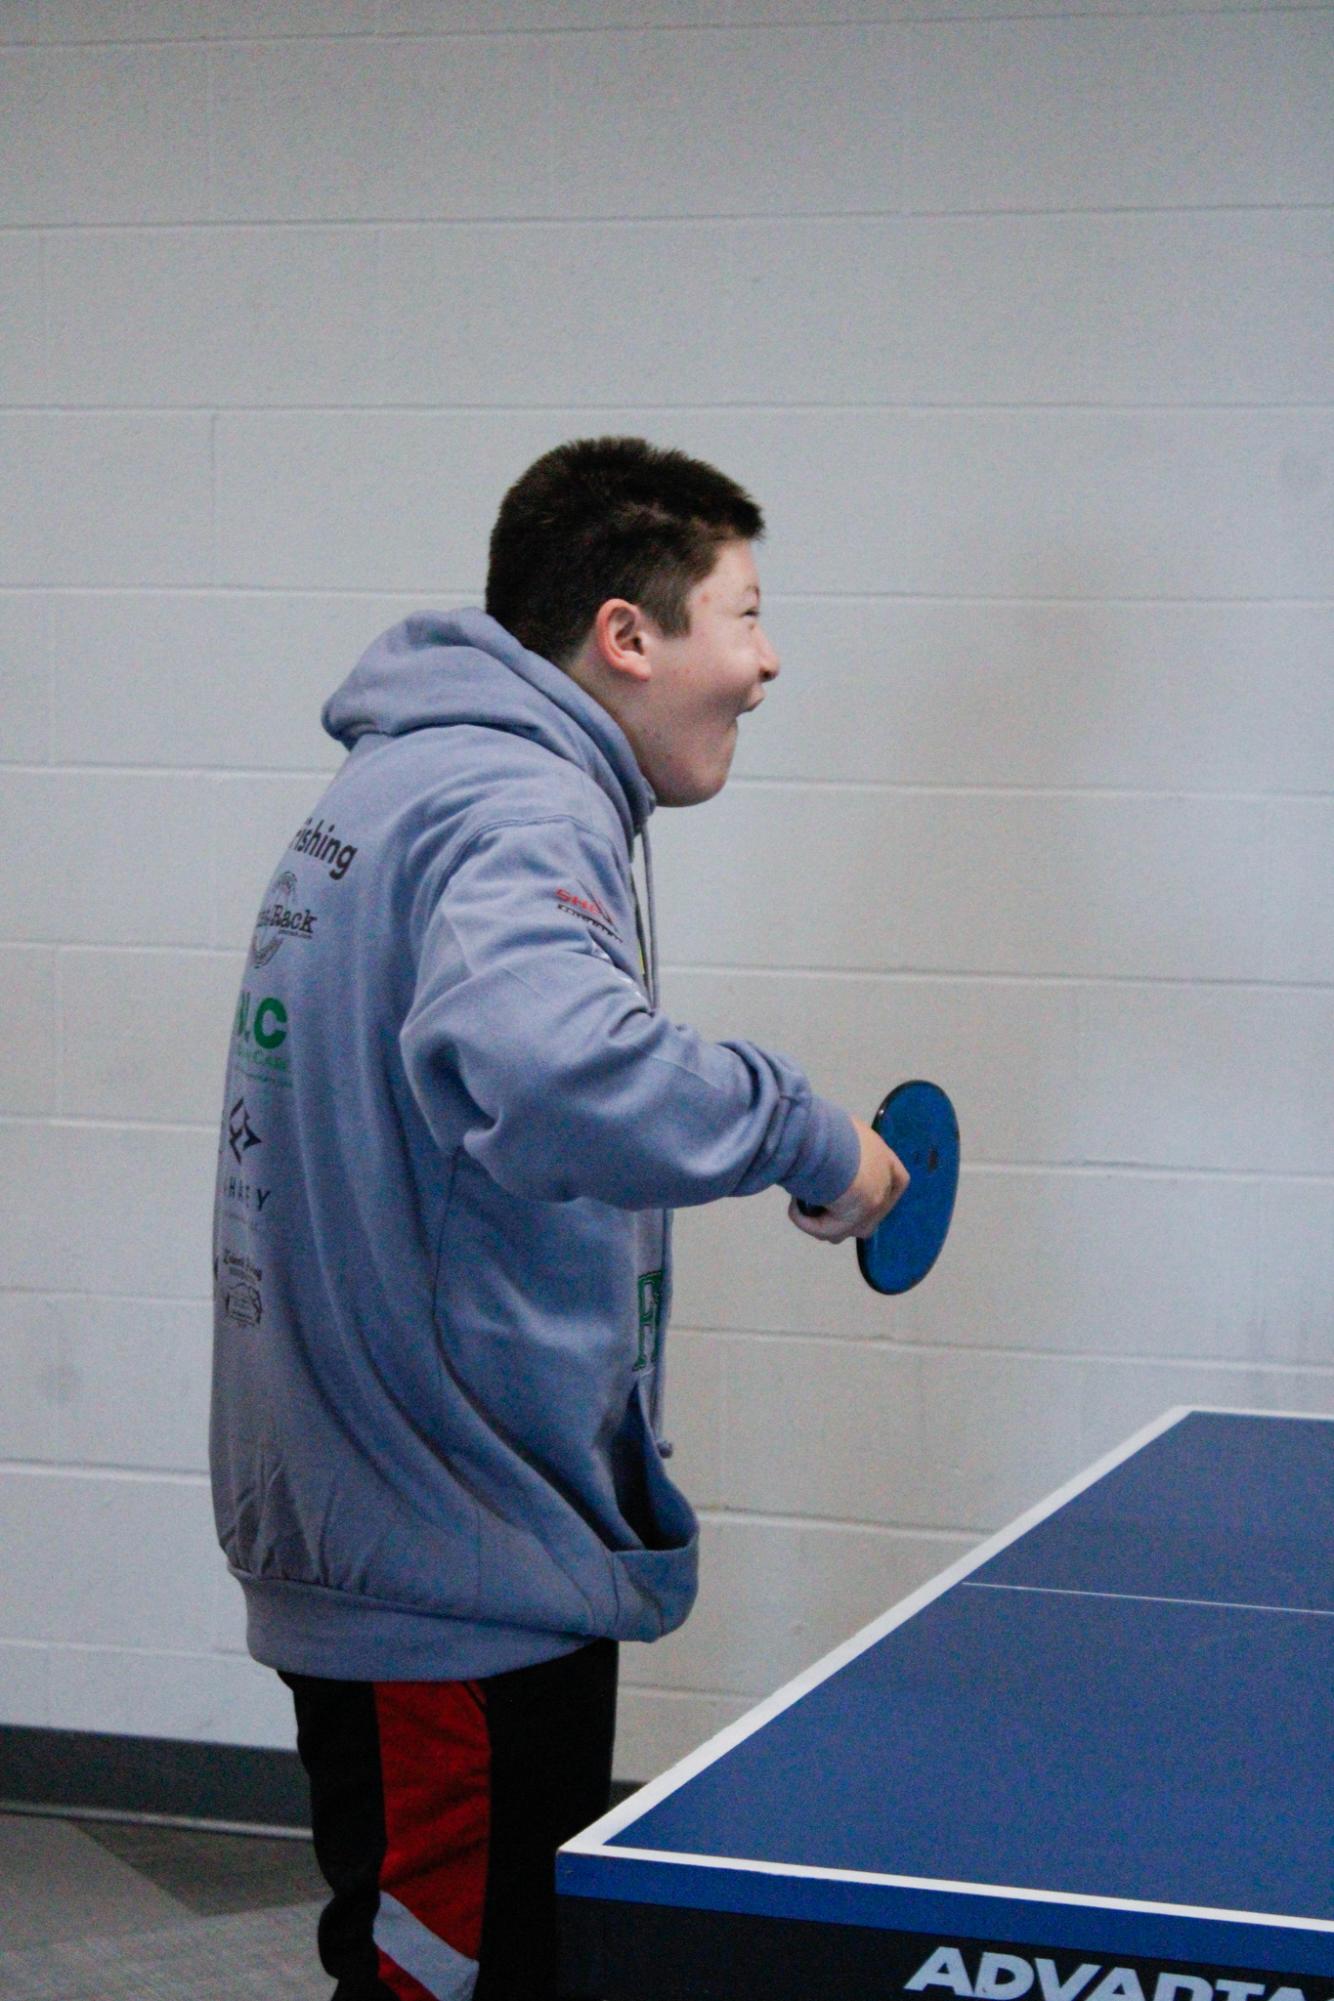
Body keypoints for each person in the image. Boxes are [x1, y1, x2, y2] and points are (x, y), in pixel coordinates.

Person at [210, 436, 907, 2001]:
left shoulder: (413, 775)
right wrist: (811, 1137)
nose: (768, 655)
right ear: (626, 635)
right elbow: (546, 1065)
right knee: (439, 1978)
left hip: (422, 1511)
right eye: (744, 612)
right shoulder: (516, 800)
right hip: (443, 1549)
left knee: (480, 1952)